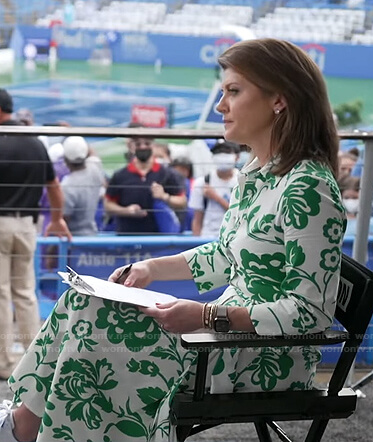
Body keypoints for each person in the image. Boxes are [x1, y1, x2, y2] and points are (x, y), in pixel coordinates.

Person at [0, 39, 346, 442]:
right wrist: (150, 269)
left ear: (279, 101)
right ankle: (26, 423)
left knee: (97, 336)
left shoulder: (307, 189)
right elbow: (225, 254)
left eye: (233, 91)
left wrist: (205, 317)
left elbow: (309, 313)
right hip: (226, 335)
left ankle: (25, 428)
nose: (221, 105)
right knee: (84, 300)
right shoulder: (261, 174)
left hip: (263, 354)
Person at [0, 88, 72, 381]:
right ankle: (32, 356)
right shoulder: (35, 142)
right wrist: (56, 219)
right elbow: (54, 187)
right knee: (25, 292)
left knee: (1, 293)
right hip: (28, 226)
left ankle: (5, 360)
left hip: (0, 223)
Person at [104, 131, 187, 235]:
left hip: (159, 238)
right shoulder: (120, 175)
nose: (143, 147)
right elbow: (108, 204)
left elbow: (182, 202)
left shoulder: (167, 174)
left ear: (153, 146)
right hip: (127, 236)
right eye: (138, 144)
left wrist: (164, 196)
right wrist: (126, 211)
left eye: (147, 143)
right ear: (132, 147)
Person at [189, 139, 240, 237]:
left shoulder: (243, 181)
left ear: (237, 157)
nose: (222, 155)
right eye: (218, 152)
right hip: (208, 237)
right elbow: (197, 219)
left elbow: (240, 215)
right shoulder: (202, 182)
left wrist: (216, 197)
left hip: (235, 238)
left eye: (227, 152)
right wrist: (196, 242)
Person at [61, 136, 106, 235]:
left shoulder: (67, 185)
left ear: (65, 159)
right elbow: (92, 153)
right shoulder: (94, 168)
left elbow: (64, 219)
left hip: (73, 239)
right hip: (91, 234)